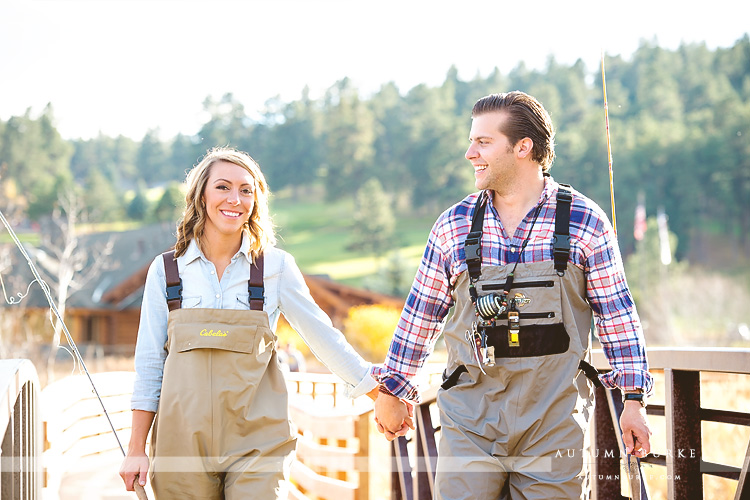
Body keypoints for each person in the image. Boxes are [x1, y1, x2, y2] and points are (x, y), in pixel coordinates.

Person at [372, 91, 653, 499]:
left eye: (483, 142)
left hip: (554, 423)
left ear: (523, 147)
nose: (470, 153)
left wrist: (633, 400)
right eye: (472, 141)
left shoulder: (584, 221)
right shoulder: (453, 225)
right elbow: (420, 315)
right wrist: (393, 390)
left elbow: (617, 317)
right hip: (470, 422)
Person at [119, 146, 378, 499]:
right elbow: (150, 363)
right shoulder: (166, 271)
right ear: (201, 195)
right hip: (180, 444)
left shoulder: (276, 267)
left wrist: (378, 391)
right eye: (223, 187)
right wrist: (136, 448)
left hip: (259, 442)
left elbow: (323, 337)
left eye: (246, 189)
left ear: (256, 200)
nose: (235, 199)